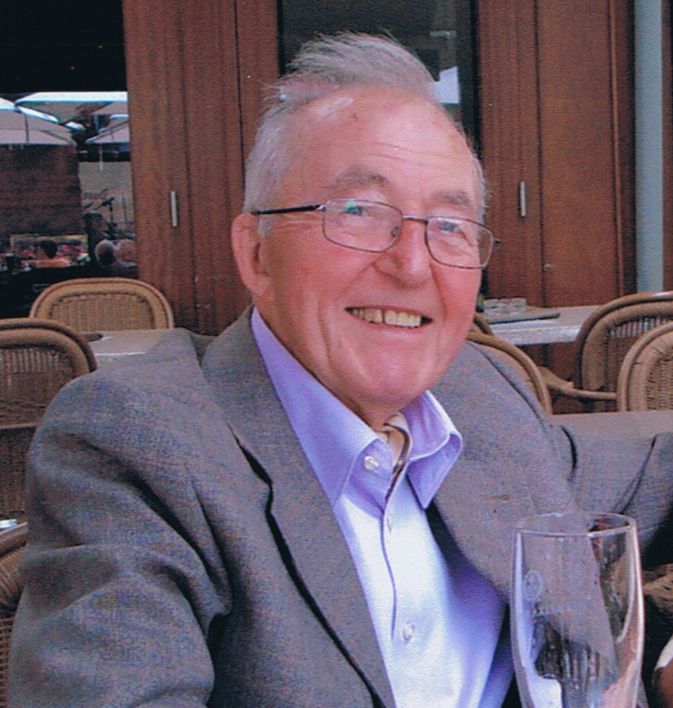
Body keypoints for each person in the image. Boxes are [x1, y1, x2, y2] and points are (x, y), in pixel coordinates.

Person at [9, 33, 673, 706]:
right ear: (257, 252)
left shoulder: (476, 394)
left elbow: (652, 478)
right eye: (357, 212)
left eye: (449, 225)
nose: (411, 265)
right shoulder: (137, 443)